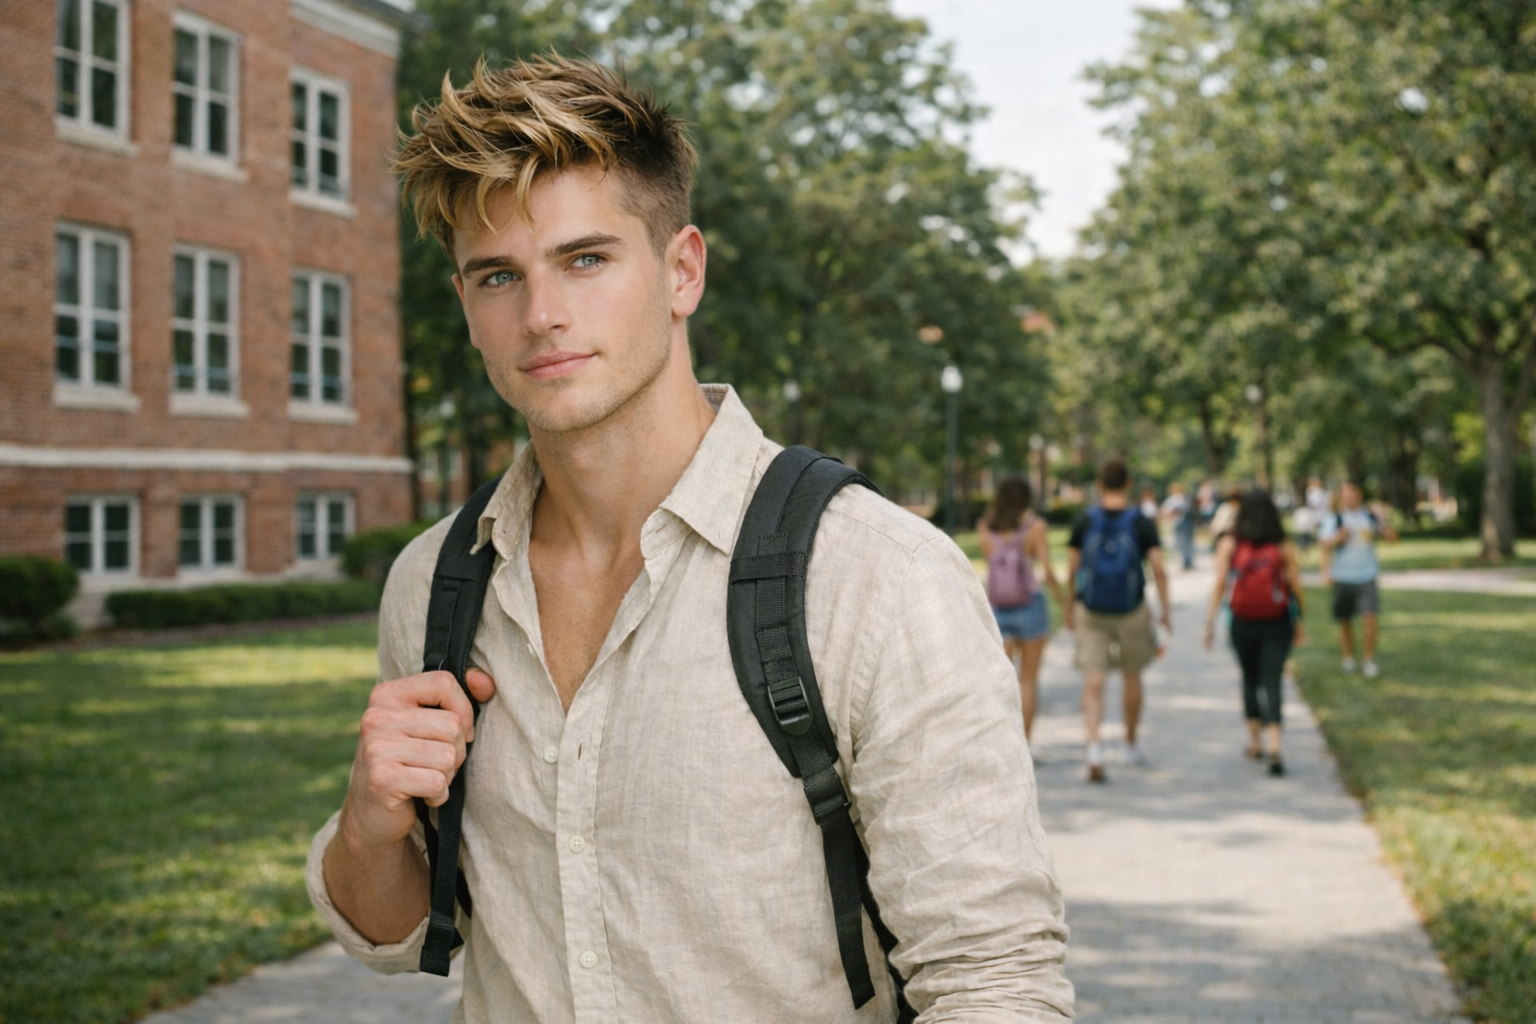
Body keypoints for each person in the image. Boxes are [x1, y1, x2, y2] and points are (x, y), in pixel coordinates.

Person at [305, 57, 1072, 1022]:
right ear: (466, 303)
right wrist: (372, 828)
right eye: (499, 274)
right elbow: (398, 937)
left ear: (682, 270)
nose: (541, 315)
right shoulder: (436, 584)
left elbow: (994, 981)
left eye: (586, 259)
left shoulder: (876, 575)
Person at [1065, 458, 1171, 783]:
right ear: (1128, 484)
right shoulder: (1141, 521)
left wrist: (1070, 606)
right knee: (1132, 677)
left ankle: (1095, 747)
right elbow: (1158, 567)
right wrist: (1164, 609)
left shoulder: (1085, 519)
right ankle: (1129, 744)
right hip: (1132, 610)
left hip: (1092, 609)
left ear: (1099, 484)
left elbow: (1072, 568)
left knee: (1093, 681)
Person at [1202, 491, 1306, 777]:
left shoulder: (1230, 543)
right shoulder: (1282, 544)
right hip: (1278, 621)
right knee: (1273, 680)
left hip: (1243, 621)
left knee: (1249, 678)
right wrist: (1300, 621)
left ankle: (1254, 742)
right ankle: (1275, 747)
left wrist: (1209, 623)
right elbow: (1295, 585)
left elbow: (1220, 584)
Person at [979, 476, 1066, 743]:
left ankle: (1004, 744)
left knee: (1003, 683)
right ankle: (1024, 746)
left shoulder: (985, 527)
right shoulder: (1035, 526)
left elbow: (990, 565)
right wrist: (1065, 602)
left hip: (998, 608)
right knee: (1028, 680)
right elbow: (1046, 569)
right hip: (1029, 605)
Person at [1318, 482, 1398, 678]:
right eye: (1344, 496)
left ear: (1359, 495)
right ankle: (1349, 659)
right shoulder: (1335, 518)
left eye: (1351, 496)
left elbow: (1393, 538)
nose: (1347, 499)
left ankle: (1369, 660)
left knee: (1370, 619)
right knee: (1345, 621)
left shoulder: (1370, 516)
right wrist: (1339, 538)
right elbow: (1325, 545)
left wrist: (1383, 523)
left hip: (1367, 576)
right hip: (1343, 576)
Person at [1159, 482, 1197, 570]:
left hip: (1179, 523)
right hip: (1186, 522)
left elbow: (1166, 510)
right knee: (1187, 542)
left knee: (1181, 542)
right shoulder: (1183, 498)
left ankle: (1185, 562)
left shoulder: (1175, 499)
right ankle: (1187, 561)